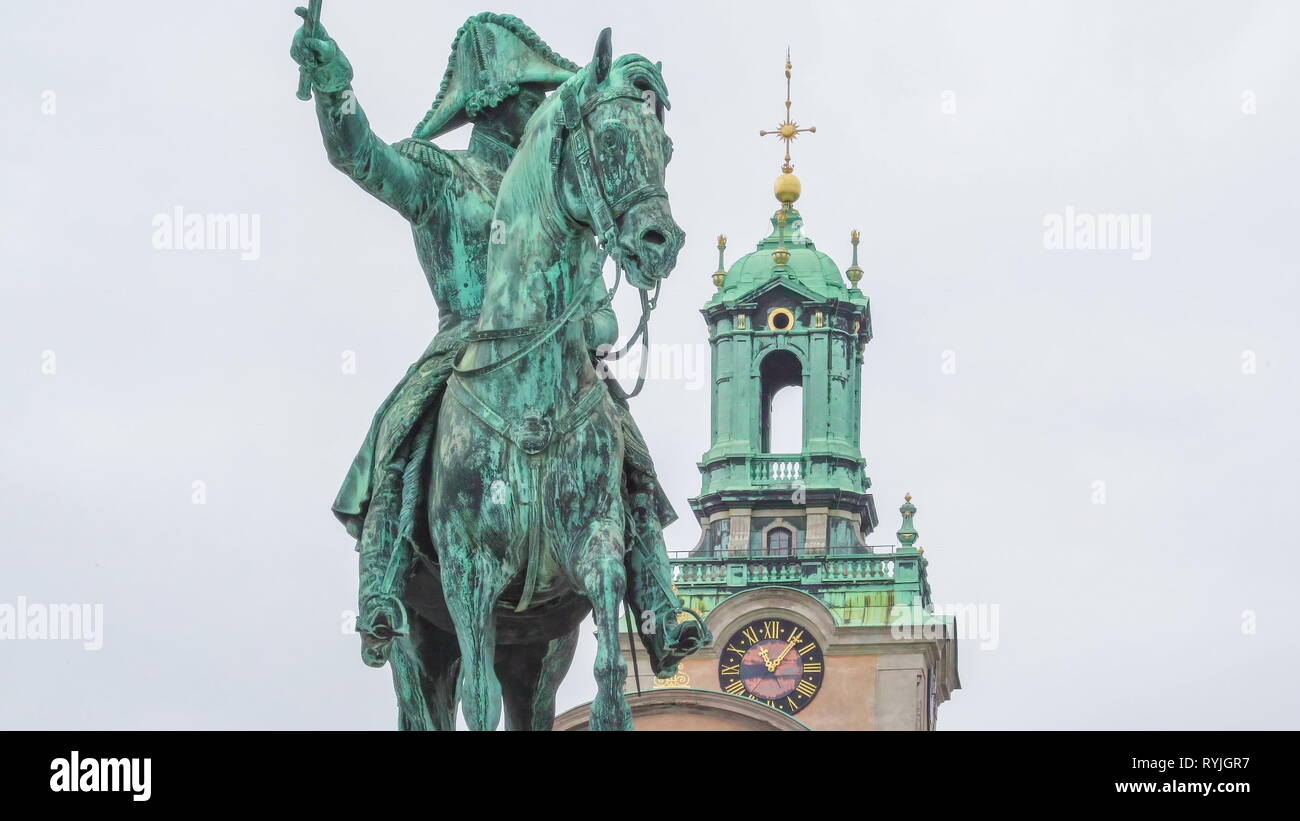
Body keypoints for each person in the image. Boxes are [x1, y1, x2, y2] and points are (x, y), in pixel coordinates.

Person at [290, 10, 701, 683]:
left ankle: (656, 602)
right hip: (465, 345)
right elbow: (360, 156)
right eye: (530, 97)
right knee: (396, 436)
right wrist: (337, 94)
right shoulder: (441, 176)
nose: (542, 107)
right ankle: (383, 586)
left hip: (564, 357)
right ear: (496, 104)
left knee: (631, 458)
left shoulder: (563, 183)